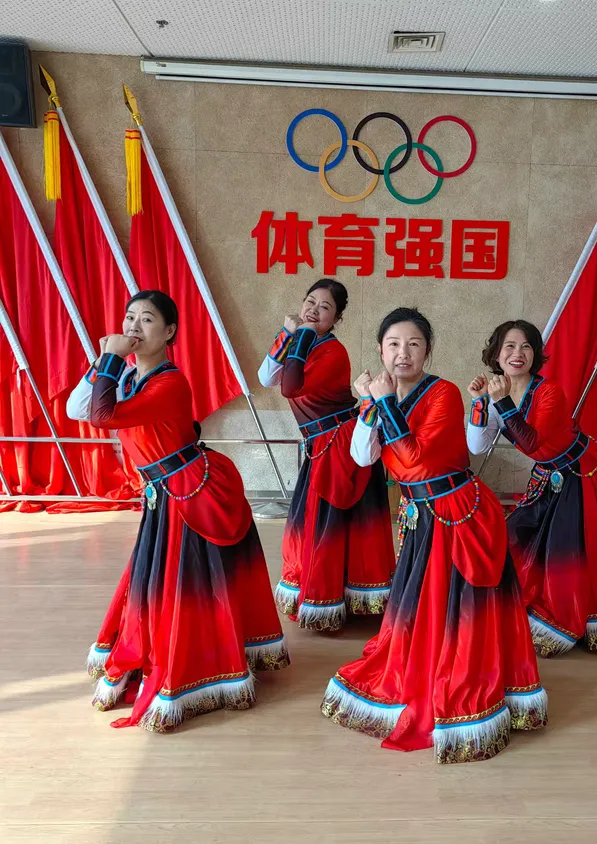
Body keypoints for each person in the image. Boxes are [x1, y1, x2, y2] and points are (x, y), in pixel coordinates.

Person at [321, 308, 547, 765]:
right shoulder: (380, 397)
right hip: (420, 517)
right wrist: (370, 406)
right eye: (393, 344)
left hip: (458, 515)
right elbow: (363, 457)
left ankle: (462, 682)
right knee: (420, 604)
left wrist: (383, 404)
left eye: (413, 344)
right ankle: (424, 669)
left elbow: (416, 461)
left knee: (456, 607)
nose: (402, 353)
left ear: (428, 351)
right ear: (380, 350)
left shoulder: (442, 393)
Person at [67, 290, 289, 732]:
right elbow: (79, 408)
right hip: (163, 494)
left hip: (188, 495)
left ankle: (199, 666)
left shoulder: (170, 383)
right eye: (129, 317)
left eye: (147, 319)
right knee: (162, 584)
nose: (134, 326)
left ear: (169, 332)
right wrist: (106, 361)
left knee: (189, 587)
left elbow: (102, 416)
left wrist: (111, 358)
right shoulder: (128, 377)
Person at [467, 319, 597, 659]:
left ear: (535, 354)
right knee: (516, 535)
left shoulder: (549, 392)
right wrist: (480, 402)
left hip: (585, 474)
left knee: (571, 551)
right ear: (496, 353)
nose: (518, 353)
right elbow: (477, 446)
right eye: (510, 346)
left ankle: (572, 622)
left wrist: (501, 402)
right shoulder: (496, 396)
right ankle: (530, 607)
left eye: (526, 346)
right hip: (550, 475)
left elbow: (531, 441)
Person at [258, 279, 395, 632]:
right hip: (321, 445)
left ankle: (334, 601)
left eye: (325, 307)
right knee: (319, 524)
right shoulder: (299, 344)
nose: (314, 310)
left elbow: (291, 386)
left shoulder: (333, 352)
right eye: (310, 301)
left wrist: (301, 334)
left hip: (340, 444)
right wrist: (286, 335)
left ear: (336, 318)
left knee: (330, 525)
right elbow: (267, 377)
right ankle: (327, 598)